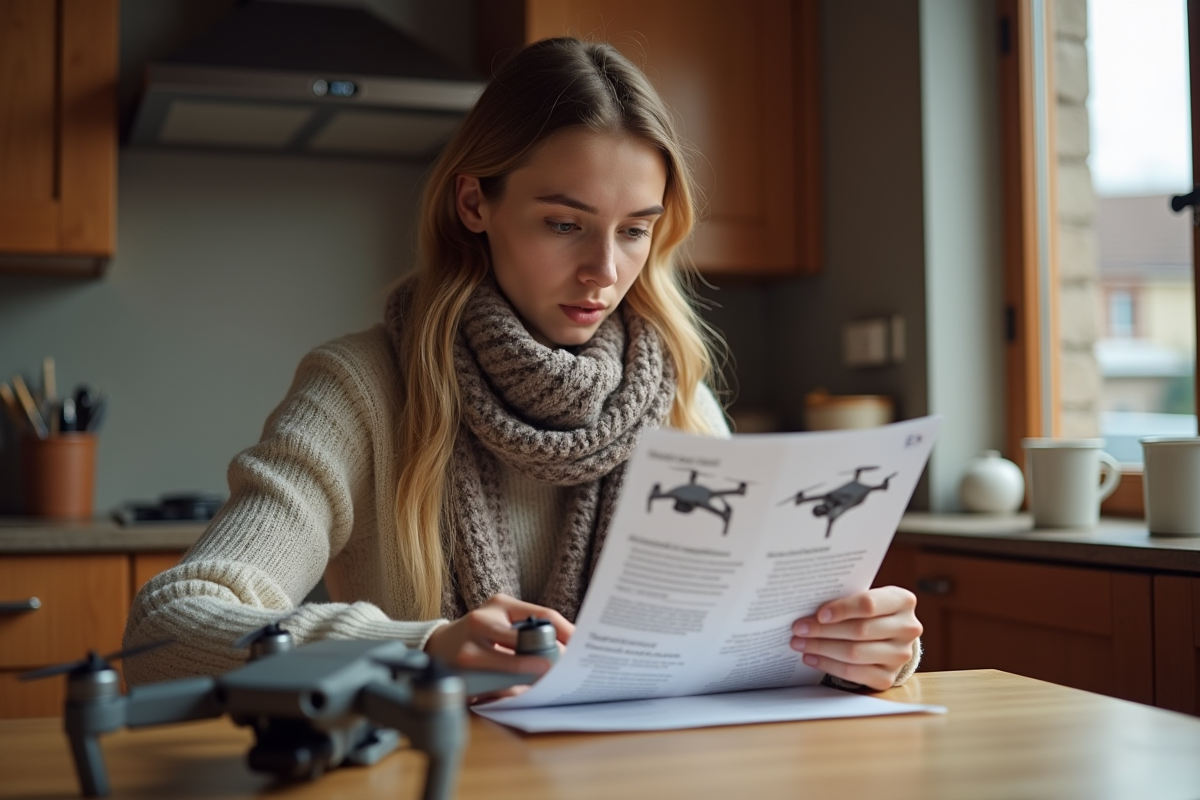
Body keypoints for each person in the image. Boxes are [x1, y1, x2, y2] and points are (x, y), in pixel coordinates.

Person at [123, 37, 921, 693]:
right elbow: (167, 629)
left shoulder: (679, 398)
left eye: (635, 230)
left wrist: (854, 653)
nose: (605, 270)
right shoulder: (360, 389)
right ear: (476, 204)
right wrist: (419, 650)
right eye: (565, 224)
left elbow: (732, 648)